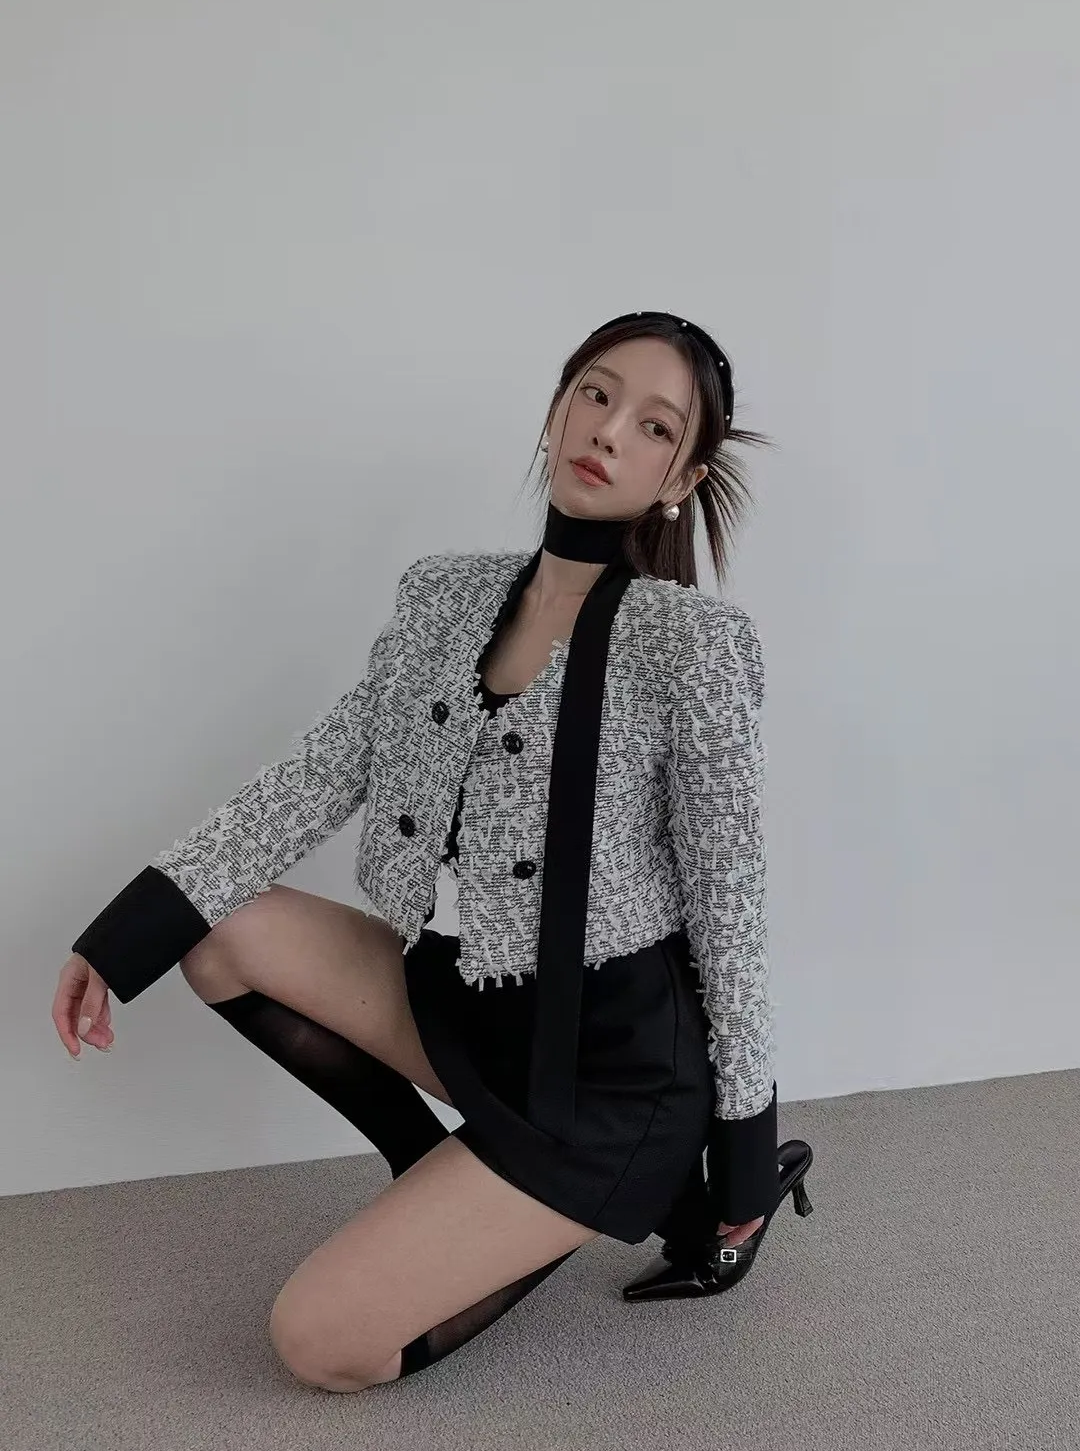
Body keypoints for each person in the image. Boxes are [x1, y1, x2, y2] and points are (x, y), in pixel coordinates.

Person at [51, 309, 813, 1393]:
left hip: (607, 1075)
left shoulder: (693, 645)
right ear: (557, 410)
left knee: (322, 1344)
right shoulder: (441, 597)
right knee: (215, 933)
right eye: (595, 395)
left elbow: (731, 910)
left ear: (680, 477)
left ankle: (594, 1199)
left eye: (654, 426)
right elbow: (321, 773)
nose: (609, 430)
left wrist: (741, 1150)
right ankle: (443, 1176)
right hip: (465, 1006)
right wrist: (117, 941)